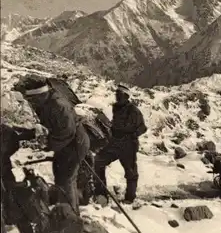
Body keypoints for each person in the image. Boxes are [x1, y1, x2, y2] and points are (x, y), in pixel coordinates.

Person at [14, 76, 90, 215]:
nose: (30, 103)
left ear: (40, 94)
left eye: (32, 99)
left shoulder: (59, 106)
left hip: (74, 144)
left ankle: (69, 217)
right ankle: (71, 211)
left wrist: (47, 146)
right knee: (64, 176)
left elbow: (66, 133)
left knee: (65, 179)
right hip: (66, 143)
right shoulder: (45, 101)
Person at [94, 85, 147, 204]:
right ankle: (101, 194)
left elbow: (143, 127)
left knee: (131, 172)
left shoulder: (133, 110)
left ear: (126, 97)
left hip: (128, 146)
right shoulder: (116, 108)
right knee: (97, 162)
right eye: (116, 94)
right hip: (114, 144)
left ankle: (130, 198)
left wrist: (133, 135)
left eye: (119, 95)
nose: (117, 97)